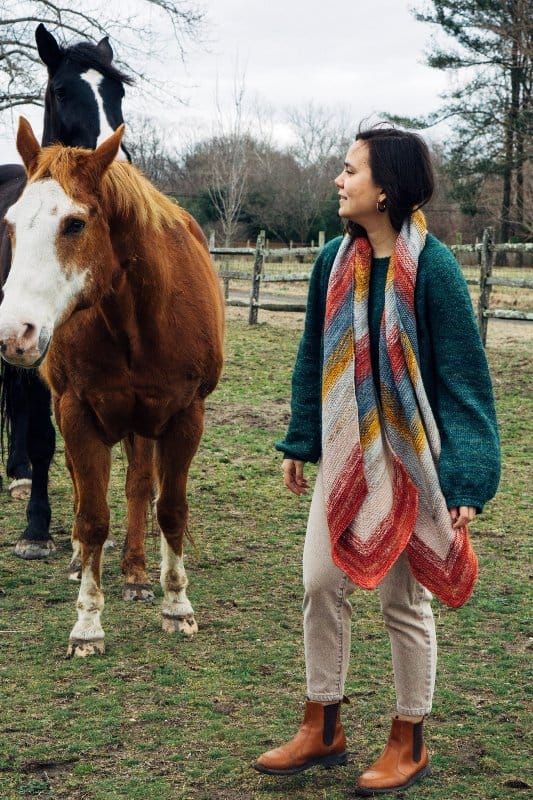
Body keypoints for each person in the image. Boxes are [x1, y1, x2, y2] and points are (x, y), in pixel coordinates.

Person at [252, 125, 500, 795]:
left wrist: (467, 477)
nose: (339, 180)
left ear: (385, 188)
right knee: (319, 583)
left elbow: (464, 382)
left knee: (401, 599)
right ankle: (322, 725)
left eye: (350, 170)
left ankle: (408, 737)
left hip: (413, 461)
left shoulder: (434, 269)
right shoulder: (332, 261)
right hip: (345, 454)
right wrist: (302, 440)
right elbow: (314, 357)